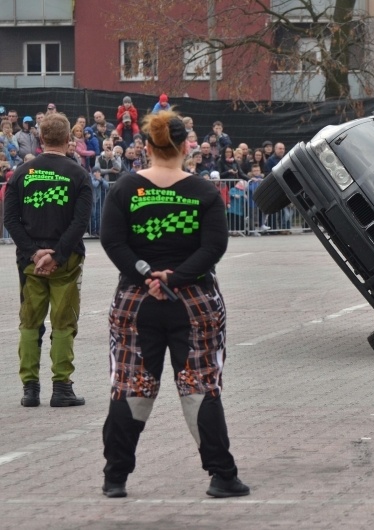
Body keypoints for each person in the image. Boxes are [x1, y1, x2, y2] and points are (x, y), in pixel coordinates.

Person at [99, 110, 249, 499]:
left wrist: (146, 275)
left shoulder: (125, 189)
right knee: (200, 386)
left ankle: (115, 477)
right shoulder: (202, 191)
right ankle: (221, 475)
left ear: (146, 147)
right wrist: (175, 277)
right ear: (186, 147)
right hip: (194, 301)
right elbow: (214, 247)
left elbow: (113, 242)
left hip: (136, 300)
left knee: (130, 384)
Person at [2, 112, 93, 408]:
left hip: (30, 262)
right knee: (64, 323)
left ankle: (30, 389)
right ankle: (61, 387)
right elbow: (81, 222)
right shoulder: (78, 175)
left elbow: (10, 219)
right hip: (66, 261)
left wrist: (34, 252)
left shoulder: (21, 173)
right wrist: (58, 253)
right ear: (69, 140)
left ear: (41, 139)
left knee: (30, 323)